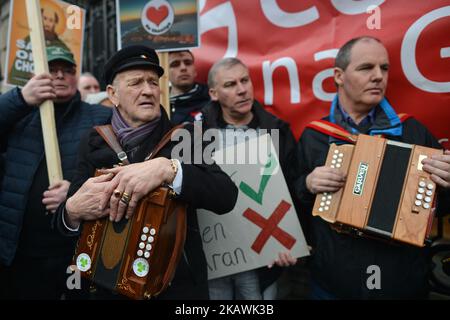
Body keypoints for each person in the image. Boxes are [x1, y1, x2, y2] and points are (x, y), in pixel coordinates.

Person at [54, 45, 238, 300]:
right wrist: (71, 211)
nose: (149, 90)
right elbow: (68, 219)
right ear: (112, 94)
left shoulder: (186, 136)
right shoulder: (93, 140)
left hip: (174, 288)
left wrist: (169, 169)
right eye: (136, 83)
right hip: (104, 288)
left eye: (153, 82)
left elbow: (226, 196)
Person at [295, 36, 450, 299]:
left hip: (400, 280)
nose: (379, 76)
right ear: (339, 76)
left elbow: (442, 209)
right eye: (366, 68)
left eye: (384, 68)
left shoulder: (412, 130)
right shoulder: (315, 136)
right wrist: (307, 184)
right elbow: (293, 201)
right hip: (334, 280)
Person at [0, 46, 111, 299]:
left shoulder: (101, 117)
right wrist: (19, 98)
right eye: (52, 70)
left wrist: (74, 193)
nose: (60, 76)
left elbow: (118, 170)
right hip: (20, 253)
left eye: (68, 70)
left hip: (74, 249)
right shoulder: (19, 115)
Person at [200, 57, 300, 300]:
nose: (242, 89)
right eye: (231, 84)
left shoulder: (278, 131)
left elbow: (293, 187)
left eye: (245, 80)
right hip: (216, 260)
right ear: (214, 93)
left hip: (265, 261)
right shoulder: (197, 136)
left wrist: (288, 241)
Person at [168, 50, 210, 124]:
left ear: (195, 70)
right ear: (165, 73)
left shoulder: (211, 98)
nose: (183, 68)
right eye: (175, 64)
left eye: (188, 63)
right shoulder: (158, 103)